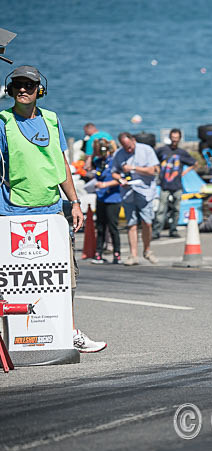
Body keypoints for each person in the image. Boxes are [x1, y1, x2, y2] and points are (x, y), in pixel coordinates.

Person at [0, 65, 105, 352]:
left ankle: (68, 332)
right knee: (11, 281)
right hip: (11, 210)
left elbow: (61, 165)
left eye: (29, 85)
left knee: (62, 277)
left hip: (51, 209)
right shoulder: (2, 120)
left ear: (39, 90)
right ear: (10, 90)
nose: (23, 89)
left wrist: (74, 202)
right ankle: (9, 339)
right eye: (18, 85)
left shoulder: (51, 119)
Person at [110, 132, 160, 265]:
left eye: (129, 146)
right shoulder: (119, 154)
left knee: (147, 222)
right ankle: (133, 255)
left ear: (133, 140)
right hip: (128, 191)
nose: (128, 150)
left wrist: (133, 168)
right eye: (125, 147)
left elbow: (153, 170)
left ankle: (147, 250)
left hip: (145, 191)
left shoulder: (146, 150)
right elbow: (113, 171)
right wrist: (120, 179)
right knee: (131, 223)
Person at [153, 128, 196, 239]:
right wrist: (157, 170)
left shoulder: (182, 153)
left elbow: (193, 163)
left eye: (176, 139)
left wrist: (184, 172)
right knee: (161, 209)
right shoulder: (163, 150)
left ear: (180, 139)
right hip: (164, 185)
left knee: (176, 209)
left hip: (177, 185)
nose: (174, 141)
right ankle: (156, 231)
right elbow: (153, 159)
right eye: (173, 138)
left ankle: (173, 229)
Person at [90, 138, 122, 265]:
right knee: (100, 226)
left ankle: (117, 254)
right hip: (101, 197)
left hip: (113, 198)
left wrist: (105, 184)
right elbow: (96, 174)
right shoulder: (98, 161)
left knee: (113, 226)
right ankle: (98, 253)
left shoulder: (114, 161)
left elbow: (120, 179)